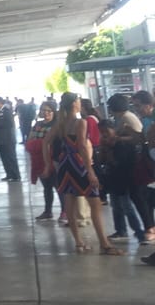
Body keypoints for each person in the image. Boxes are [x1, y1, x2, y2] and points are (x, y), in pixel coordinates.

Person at [42, 93, 123, 255]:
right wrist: (90, 170)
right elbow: (82, 146)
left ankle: (79, 243)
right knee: (95, 203)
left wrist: (48, 164)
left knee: (69, 204)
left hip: (64, 165)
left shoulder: (61, 124)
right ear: (74, 103)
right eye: (78, 101)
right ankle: (104, 244)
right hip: (79, 165)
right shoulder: (80, 122)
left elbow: (45, 142)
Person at [107, 94, 155, 240]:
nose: (136, 109)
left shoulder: (130, 117)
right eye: (134, 105)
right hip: (146, 160)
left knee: (139, 194)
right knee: (141, 194)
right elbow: (141, 138)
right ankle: (149, 227)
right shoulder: (143, 119)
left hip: (144, 160)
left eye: (138, 105)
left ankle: (149, 227)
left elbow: (144, 139)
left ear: (149, 105)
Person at [97, 120, 148, 244]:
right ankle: (120, 230)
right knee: (116, 206)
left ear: (113, 130)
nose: (104, 134)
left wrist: (109, 151)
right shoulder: (108, 145)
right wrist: (104, 149)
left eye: (106, 131)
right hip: (113, 179)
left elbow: (120, 163)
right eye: (102, 132)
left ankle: (139, 232)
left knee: (127, 207)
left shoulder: (122, 144)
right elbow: (102, 161)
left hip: (124, 179)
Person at [26, 103, 56, 220]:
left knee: (58, 186)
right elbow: (30, 138)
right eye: (43, 110)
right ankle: (48, 211)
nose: (46, 113)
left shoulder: (57, 125)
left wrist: (40, 144)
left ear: (54, 111)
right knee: (47, 187)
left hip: (53, 159)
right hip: (39, 159)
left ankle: (65, 211)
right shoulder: (38, 124)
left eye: (48, 110)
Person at [0, 96, 21, 181]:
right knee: (4, 157)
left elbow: (10, 124)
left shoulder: (7, 111)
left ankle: (16, 175)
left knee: (11, 157)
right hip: (0, 139)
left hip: (8, 138)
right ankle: (9, 174)